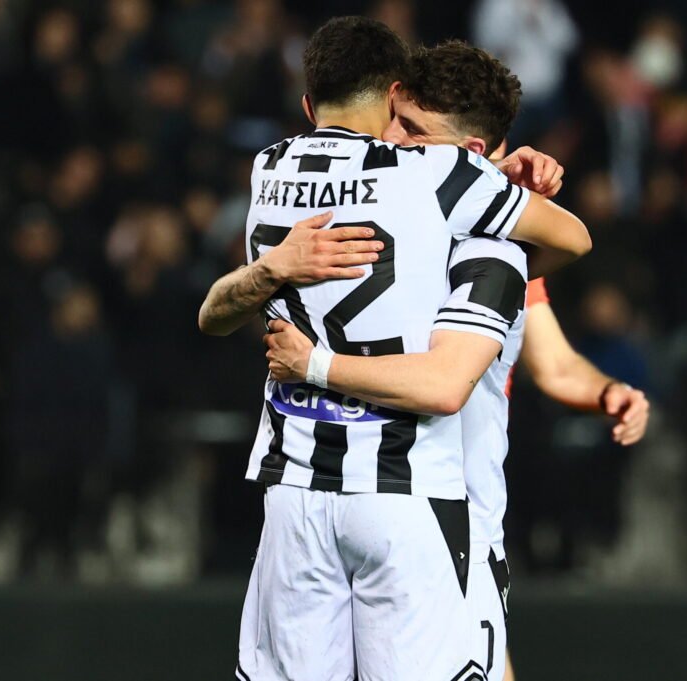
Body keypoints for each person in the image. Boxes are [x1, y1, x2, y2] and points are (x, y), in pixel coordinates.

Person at [198, 18, 590, 681]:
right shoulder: (444, 178)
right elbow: (573, 239)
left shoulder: (269, 168)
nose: (400, 135)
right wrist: (492, 181)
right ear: (391, 94)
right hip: (412, 490)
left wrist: (278, 283)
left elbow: (212, 315)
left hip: (297, 487)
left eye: (413, 127)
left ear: (307, 103)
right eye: (400, 119)